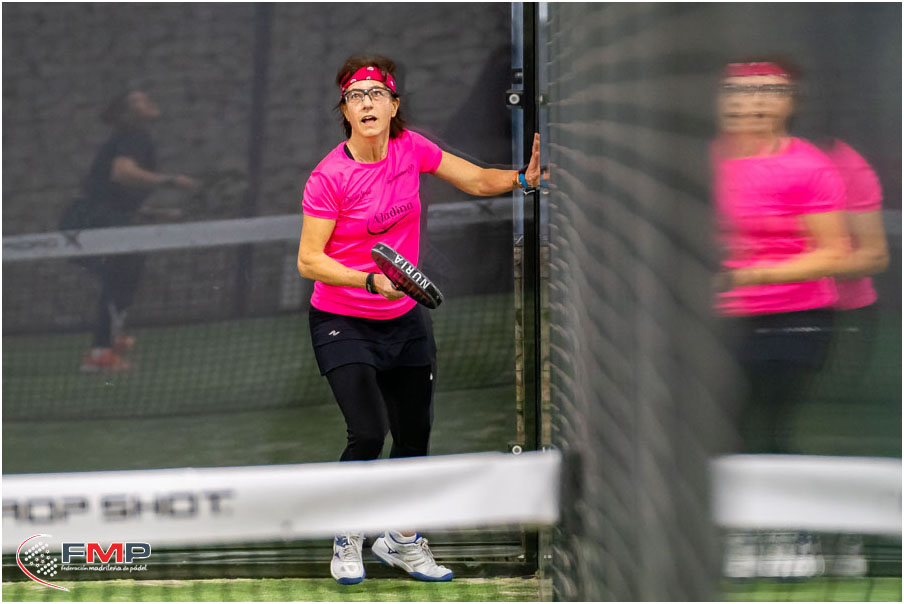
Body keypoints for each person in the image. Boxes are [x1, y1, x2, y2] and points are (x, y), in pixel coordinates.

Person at [296, 55, 540, 585]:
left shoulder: (411, 149)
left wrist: (523, 177)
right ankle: (347, 532)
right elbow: (309, 260)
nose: (366, 103)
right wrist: (368, 281)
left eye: (376, 95)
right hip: (343, 319)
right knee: (368, 432)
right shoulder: (329, 176)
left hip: (405, 319)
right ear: (345, 111)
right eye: (355, 97)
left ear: (394, 106)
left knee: (414, 436)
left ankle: (401, 539)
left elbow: (475, 179)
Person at [713, 60, 852, 580]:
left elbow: (834, 252)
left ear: (789, 102)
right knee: (723, 427)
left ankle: (793, 537)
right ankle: (744, 532)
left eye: (767, 92)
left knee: (766, 425)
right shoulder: (701, 162)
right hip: (714, 325)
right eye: (740, 92)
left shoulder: (809, 167)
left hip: (794, 320)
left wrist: (749, 276)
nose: (753, 102)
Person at [60, 91, 199, 372]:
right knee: (122, 272)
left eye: (146, 97)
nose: (147, 100)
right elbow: (122, 174)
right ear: (125, 112)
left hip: (86, 218)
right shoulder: (134, 136)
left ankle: (109, 340)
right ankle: (101, 352)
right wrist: (172, 181)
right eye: (137, 100)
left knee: (126, 270)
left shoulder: (131, 139)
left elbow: (113, 194)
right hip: (89, 219)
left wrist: (159, 214)